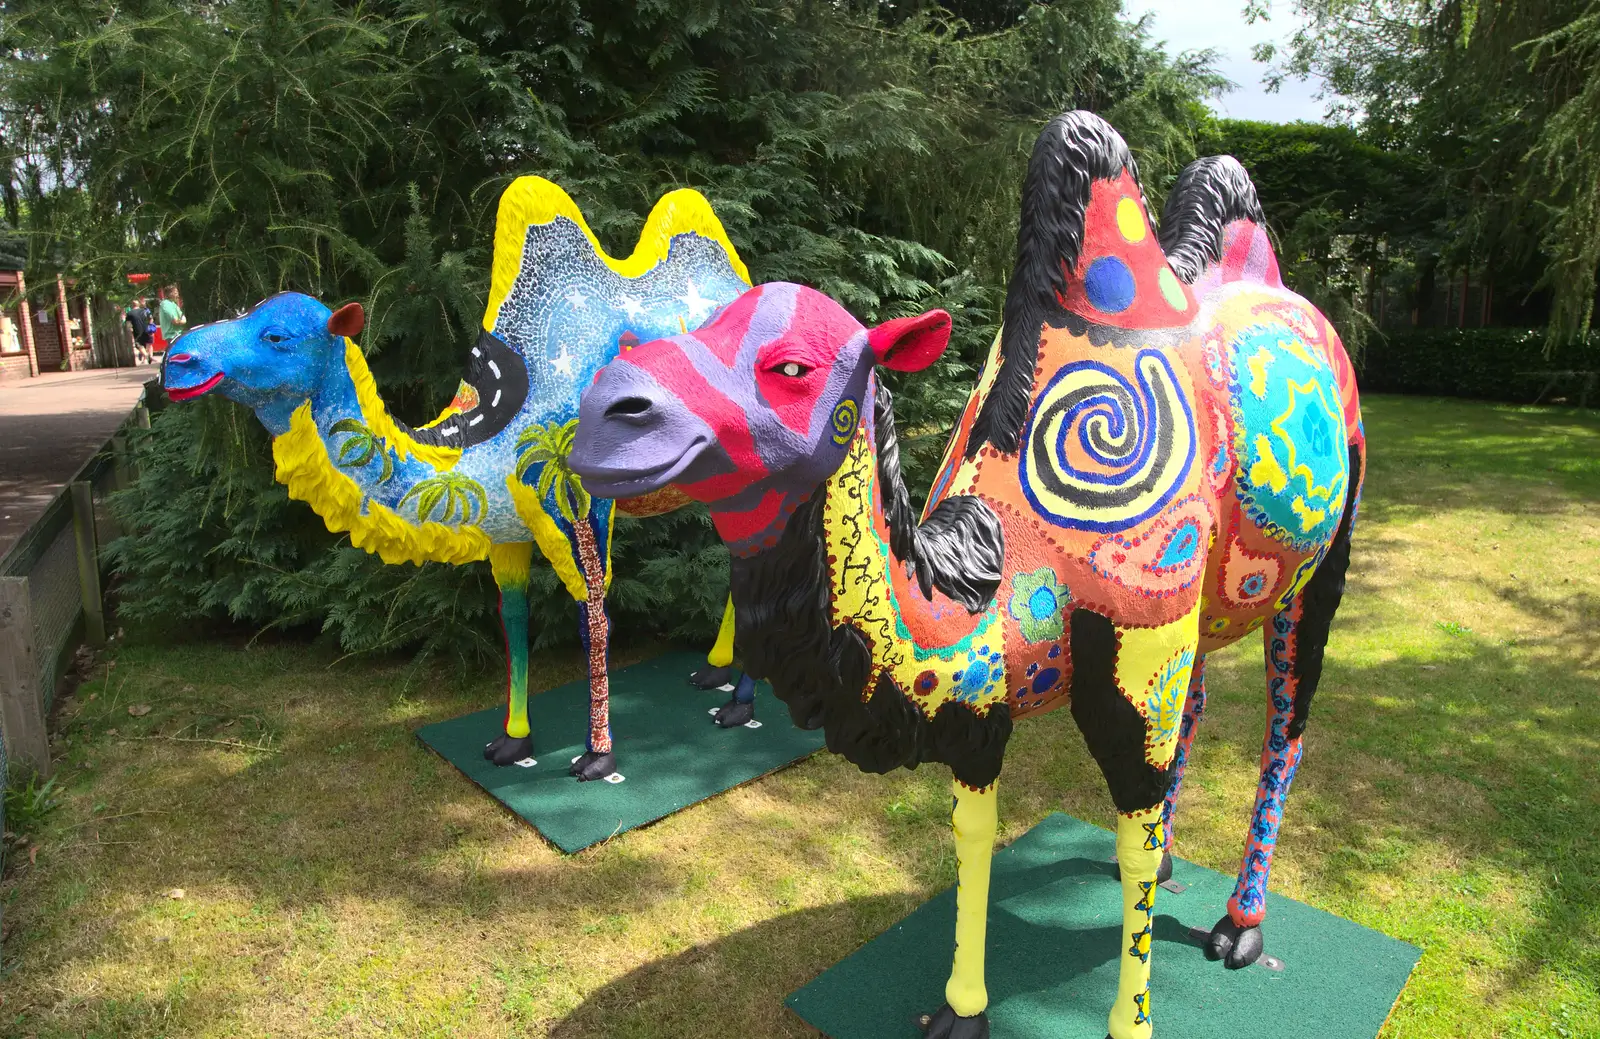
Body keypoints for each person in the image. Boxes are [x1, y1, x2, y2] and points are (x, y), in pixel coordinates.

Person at [125, 297, 154, 364]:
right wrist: (150, 326)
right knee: (147, 343)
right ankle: (147, 357)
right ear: (138, 305)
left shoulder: (129, 313)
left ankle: (146, 356)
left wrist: (130, 330)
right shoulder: (144, 311)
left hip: (137, 331)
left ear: (132, 305)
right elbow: (151, 319)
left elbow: (128, 325)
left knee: (138, 344)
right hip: (147, 329)